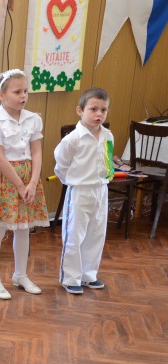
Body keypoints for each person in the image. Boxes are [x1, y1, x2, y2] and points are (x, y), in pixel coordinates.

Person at [0, 69, 50, 300]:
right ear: (1, 95)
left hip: (29, 178)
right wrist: (20, 186)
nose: (23, 96)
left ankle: (20, 275)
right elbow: (0, 158)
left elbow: (37, 152)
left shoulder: (33, 119)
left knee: (24, 229)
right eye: (17, 92)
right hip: (5, 179)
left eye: (26, 91)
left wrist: (32, 182)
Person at [54, 88, 113, 294]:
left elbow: (107, 161)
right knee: (74, 235)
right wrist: (73, 182)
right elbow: (61, 166)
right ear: (80, 110)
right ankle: (70, 277)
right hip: (79, 192)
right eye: (93, 109)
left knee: (96, 234)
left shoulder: (107, 136)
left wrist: (105, 178)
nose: (99, 114)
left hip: (101, 191)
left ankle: (89, 275)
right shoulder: (72, 139)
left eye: (103, 110)